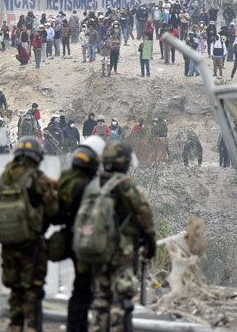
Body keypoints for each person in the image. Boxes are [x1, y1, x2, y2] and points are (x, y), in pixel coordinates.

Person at [89, 142, 157, 332]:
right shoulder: (127, 186)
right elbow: (145, 215)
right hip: (122, 250)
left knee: (100, 299)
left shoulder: (94, 185)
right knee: (121, 297)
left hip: (96, 249)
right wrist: (150, 244)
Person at [0, 137, 58, 332]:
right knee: (32, 288)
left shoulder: (4, 178)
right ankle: (32, 327)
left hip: (8, 243)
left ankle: (15, 326)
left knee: (15, 289)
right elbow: (53, 210)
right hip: (31, 244)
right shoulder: (38, 178)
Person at [52, 136, 106, 332]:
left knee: (80, 288)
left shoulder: (66, 179)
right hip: (86, 241)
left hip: (70, 237)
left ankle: (75, 326)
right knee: (86, 289)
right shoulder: (88, 187)